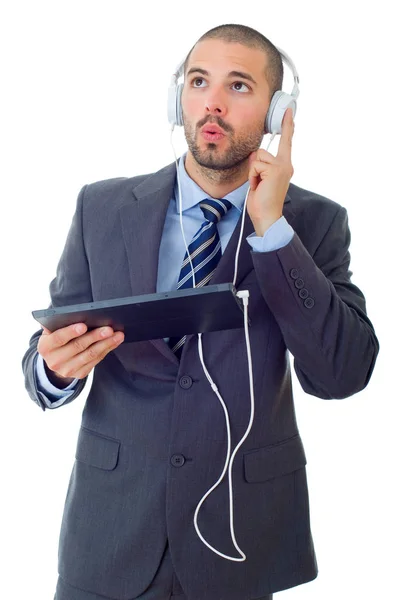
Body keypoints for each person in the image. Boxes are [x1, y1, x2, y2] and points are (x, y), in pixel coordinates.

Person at [22, 23, 379, 600]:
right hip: (110, 537)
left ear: (275, 114)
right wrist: (53, 370)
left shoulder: (313, 224)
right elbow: (39, 365)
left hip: (238, 543)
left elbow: (341, 374)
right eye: (198, 81)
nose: (212, 102)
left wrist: (272, 229)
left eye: (238, 86)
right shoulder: (101, 207)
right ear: (177, 97)